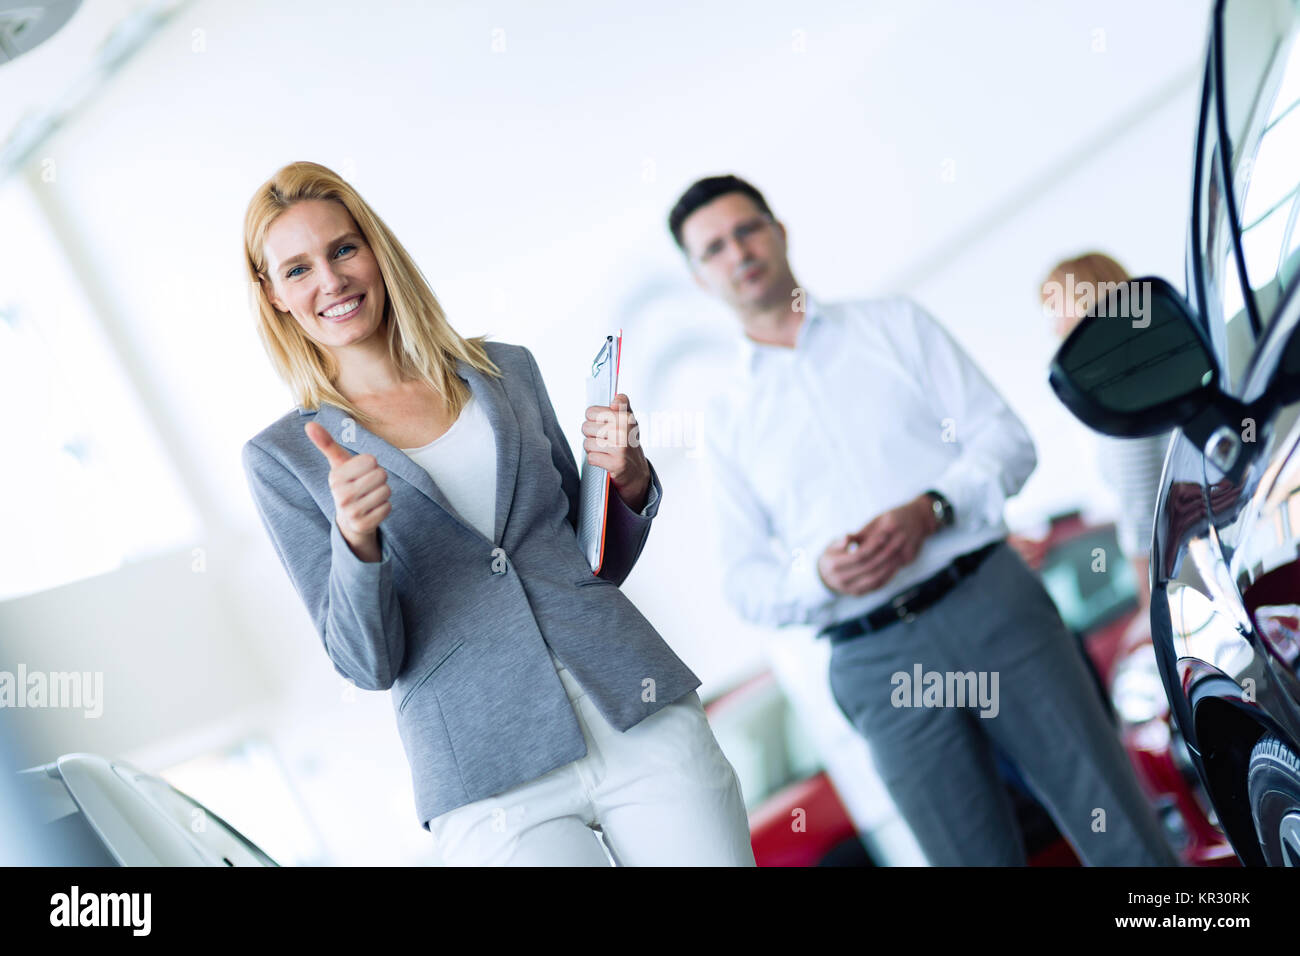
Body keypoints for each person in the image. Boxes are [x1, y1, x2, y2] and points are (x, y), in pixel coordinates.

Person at [240, 161, 754, 866]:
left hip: (636, 709)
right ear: (273, 296)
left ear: (375, 250)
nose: (330, 281)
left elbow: (591, 562)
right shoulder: (284, 458)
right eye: (297, 270)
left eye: (342, 249)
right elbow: (367, 662)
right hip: (487, 775)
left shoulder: (504, 372)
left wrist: (628, 482)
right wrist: (357, 544)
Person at [669, 173, 1179, 866]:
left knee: (1115, 826)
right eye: (714, 248)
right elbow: (745, 582)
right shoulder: (726, 424)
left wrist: (931, 509)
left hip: (991, 603)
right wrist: (818, 572)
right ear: (700, 277)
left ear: (779, 230)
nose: (738, 252)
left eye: (747, 229)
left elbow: (1006, 442)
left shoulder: (892, 325)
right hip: (873, 658)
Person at [1037, 252, 1171, 615]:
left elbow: (1144, 512)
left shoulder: (1124, 379)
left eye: (1055, 309)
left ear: (1087, 298)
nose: (1054, 328)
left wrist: (1151, 611)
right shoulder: (1152, 356)